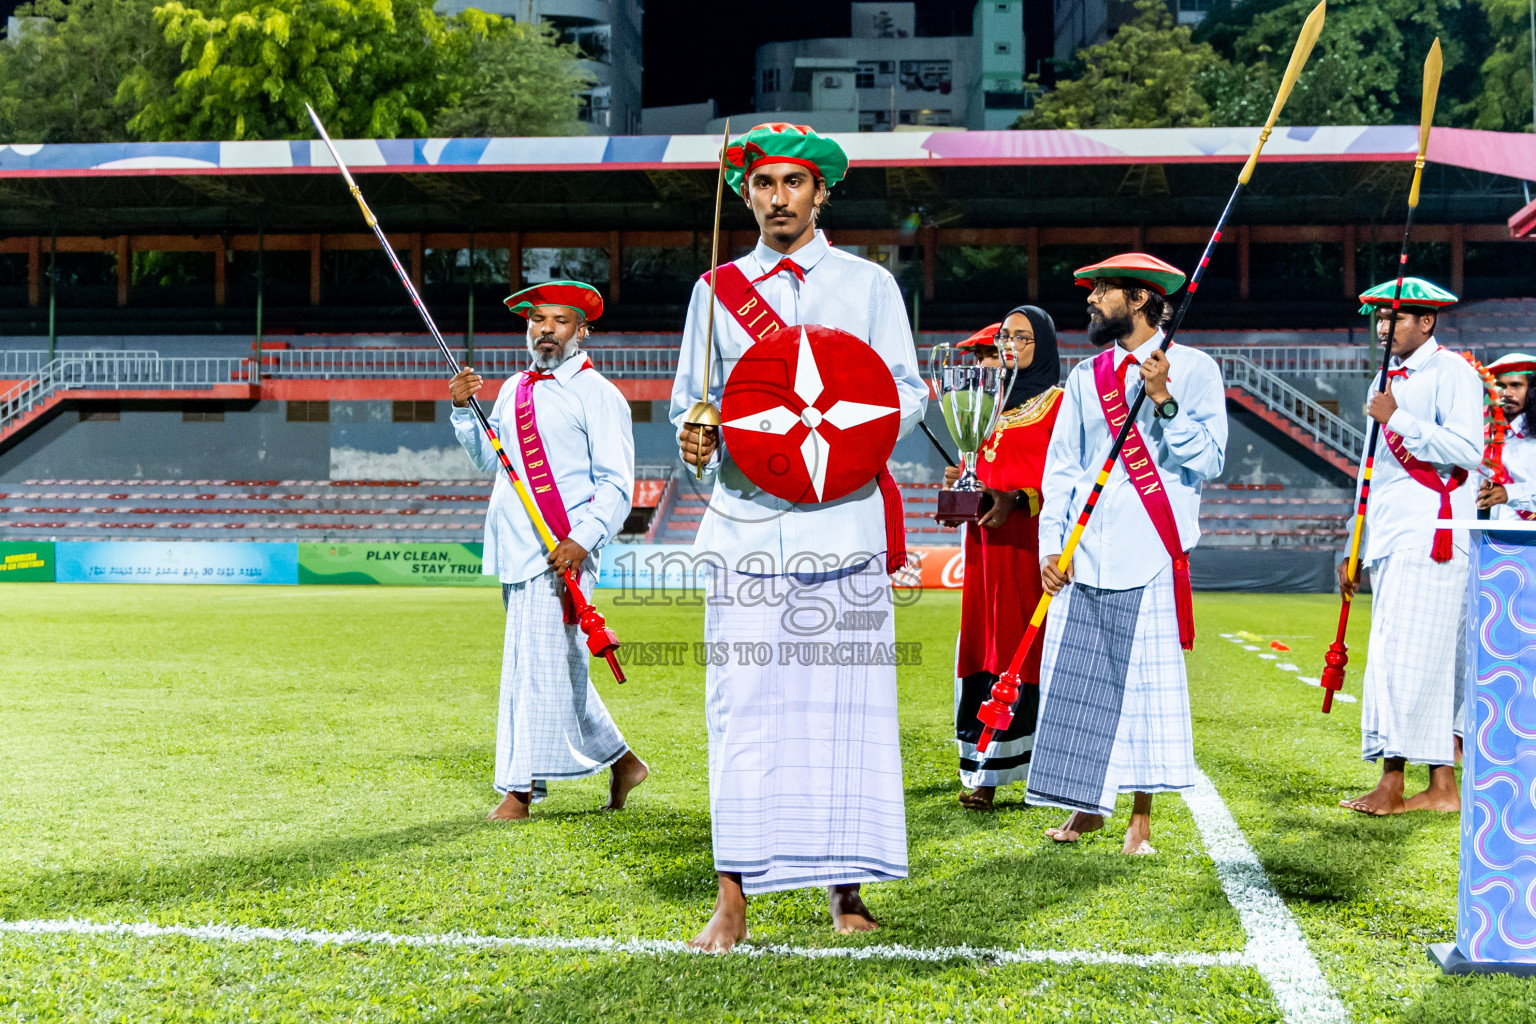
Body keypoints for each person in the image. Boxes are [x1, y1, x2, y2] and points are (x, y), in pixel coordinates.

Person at [669, 123, 927, 951]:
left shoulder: (869, 285)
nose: (777, 198)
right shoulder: (715, 291)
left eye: (793, 184)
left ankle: (843, 890)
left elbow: (906, 393)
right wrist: (697, 440)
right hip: (744, 534)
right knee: (739, 713)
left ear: (821, 193)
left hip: (841, 531)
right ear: (745, 195)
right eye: (763, 185)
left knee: (843, 713)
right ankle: (733, 895)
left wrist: (848, 442)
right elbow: (689, 406)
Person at [1027, 253, 1227, 855]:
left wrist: (1163, 400)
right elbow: (1061, 467)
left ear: (1139, 299)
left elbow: (1211, 461)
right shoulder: (1088, 376)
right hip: (1084, 551)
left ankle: (1141, 819)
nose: (1091, 300)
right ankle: (1086, 805)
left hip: (1152, 547)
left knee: (1144, 682)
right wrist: (1050, 544)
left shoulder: (1193, 368)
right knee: (1081, 680)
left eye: (1103, 290)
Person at [449, 280, 648, 822]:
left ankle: (519, 792)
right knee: (549, 666)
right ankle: (623, 760)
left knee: (536, 672)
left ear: (582, 331)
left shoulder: (598, 394)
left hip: (564, 551)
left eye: (560, 321)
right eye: (538, 319)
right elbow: (491, 462)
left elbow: (615, 483)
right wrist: (466, 411)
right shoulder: (512, 389)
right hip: (516, 548)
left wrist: (581, 540)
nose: (546, 330)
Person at [1336, 278, 1481, 816]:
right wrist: (1355, 544)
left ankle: (1412, 785)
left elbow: (1468, 450)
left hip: (1433, 532)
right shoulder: (1386, 378)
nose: (1382, 327)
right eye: (1377, 317)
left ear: (1428, 322)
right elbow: (1371, 472)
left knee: (1413, 661)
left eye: (1394, 317)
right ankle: (1425, 785)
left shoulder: (1454, 373)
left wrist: (1397, 418)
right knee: (1401, 660)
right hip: (1394, 535)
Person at [948, 309, 1063, 812]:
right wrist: (962, 492)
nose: (1011, 344)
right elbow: (982, 468)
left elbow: (1065, 480)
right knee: (984, 644)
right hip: (984, 549)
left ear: (1045, 344)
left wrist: (1017, 499)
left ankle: (1029, 771)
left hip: (1030, 547)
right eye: (1005, 336)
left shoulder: (1059, 404)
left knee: (1023, 649)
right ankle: (983, 763)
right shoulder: (986, 405)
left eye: (1023, 336)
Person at [1478, 352, 1536, 520]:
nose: (1507, 393)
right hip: (1492, 539)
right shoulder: (1482, 433)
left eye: (1516, 385)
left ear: (1532, 390)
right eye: (1500, 386)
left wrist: (1509, 493)